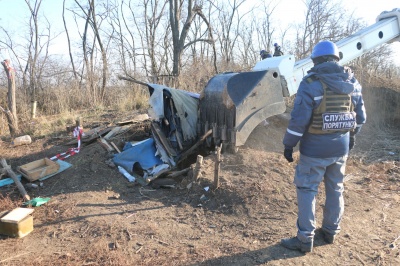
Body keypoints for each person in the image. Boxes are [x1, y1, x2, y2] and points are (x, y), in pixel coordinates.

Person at [280, 40, 366, 253]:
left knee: (307, 189)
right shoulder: (352, 83)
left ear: (316, 60)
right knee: (336, 188)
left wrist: (288, 146)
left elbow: (298, 121)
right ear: (337, 59)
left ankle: (305, 239)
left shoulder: (311, 84)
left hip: (314, 152)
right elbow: (361, 117)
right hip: (340, 150)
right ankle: (330, 232)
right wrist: (352, 136)